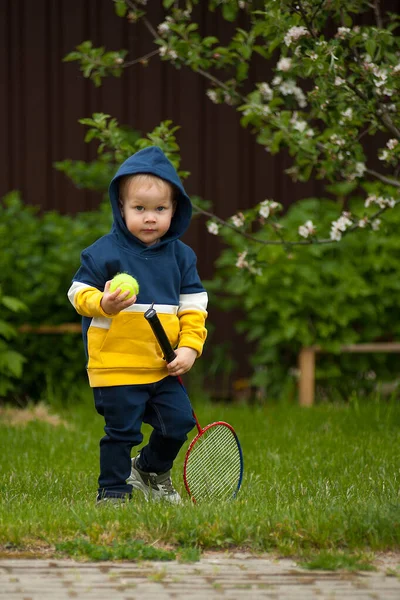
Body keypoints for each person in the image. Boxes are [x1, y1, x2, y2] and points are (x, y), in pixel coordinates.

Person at [67, 146, 208, 504]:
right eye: (139, 209)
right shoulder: (104, 252)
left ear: (174, 210)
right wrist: (104, 302)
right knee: (121, 431)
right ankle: (113, 491)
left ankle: (149, 469)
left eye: (160, 209)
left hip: (161, 366)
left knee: (177, 423)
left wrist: (190, 347)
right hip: (116, 365)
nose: (150, 218)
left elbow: (194, 308)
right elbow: (77, 293)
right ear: (121, 208)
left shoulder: (181, 257)